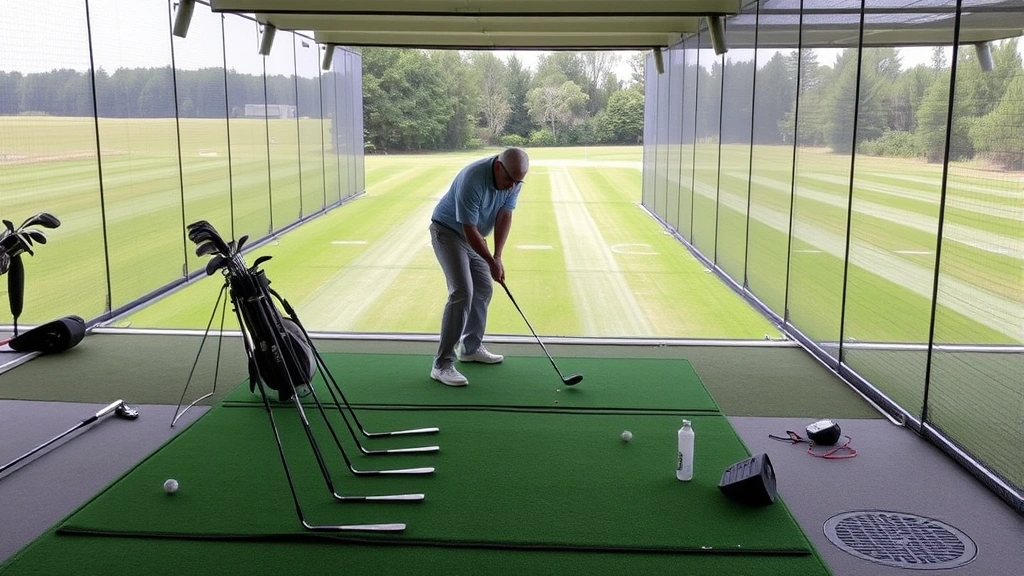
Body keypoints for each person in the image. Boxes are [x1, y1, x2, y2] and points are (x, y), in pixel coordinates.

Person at [428, 147, 529, 387]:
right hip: (448, 232)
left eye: (518, 182)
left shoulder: (512, 180)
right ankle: (442, 364)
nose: (513, 187)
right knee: (462, 292)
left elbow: (505, 216)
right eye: (510, 180)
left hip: (473, 236)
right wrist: (490, 261)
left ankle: (470, 348)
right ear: (498, 167)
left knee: (483, 288)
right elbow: (469, 230)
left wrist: (498, 256)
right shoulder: (472, 178)